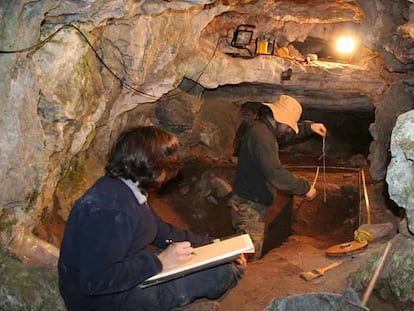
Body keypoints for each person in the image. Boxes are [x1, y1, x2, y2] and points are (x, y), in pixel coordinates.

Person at [58, 126, 246, 311]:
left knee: (213, 263)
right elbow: (95, 280)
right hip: (105, 301)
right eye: (169, 163)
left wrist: (217, 247)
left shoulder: (127, 189)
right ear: (152, 167)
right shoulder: (111, 210)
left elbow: (163, 232)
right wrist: (160, 262)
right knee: (218, 273)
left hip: (128, 273)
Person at [229, 95, 327, 260]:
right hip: (249, 205)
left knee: (245, 247)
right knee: (248, 256)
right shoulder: (262, 137)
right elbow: (276, 174)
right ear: (278, 119)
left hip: (251, 199)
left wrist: (309, 128)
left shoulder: (264, 129)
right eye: (289, 126)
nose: (289, 130)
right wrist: (304, 188)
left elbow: (285, 135)